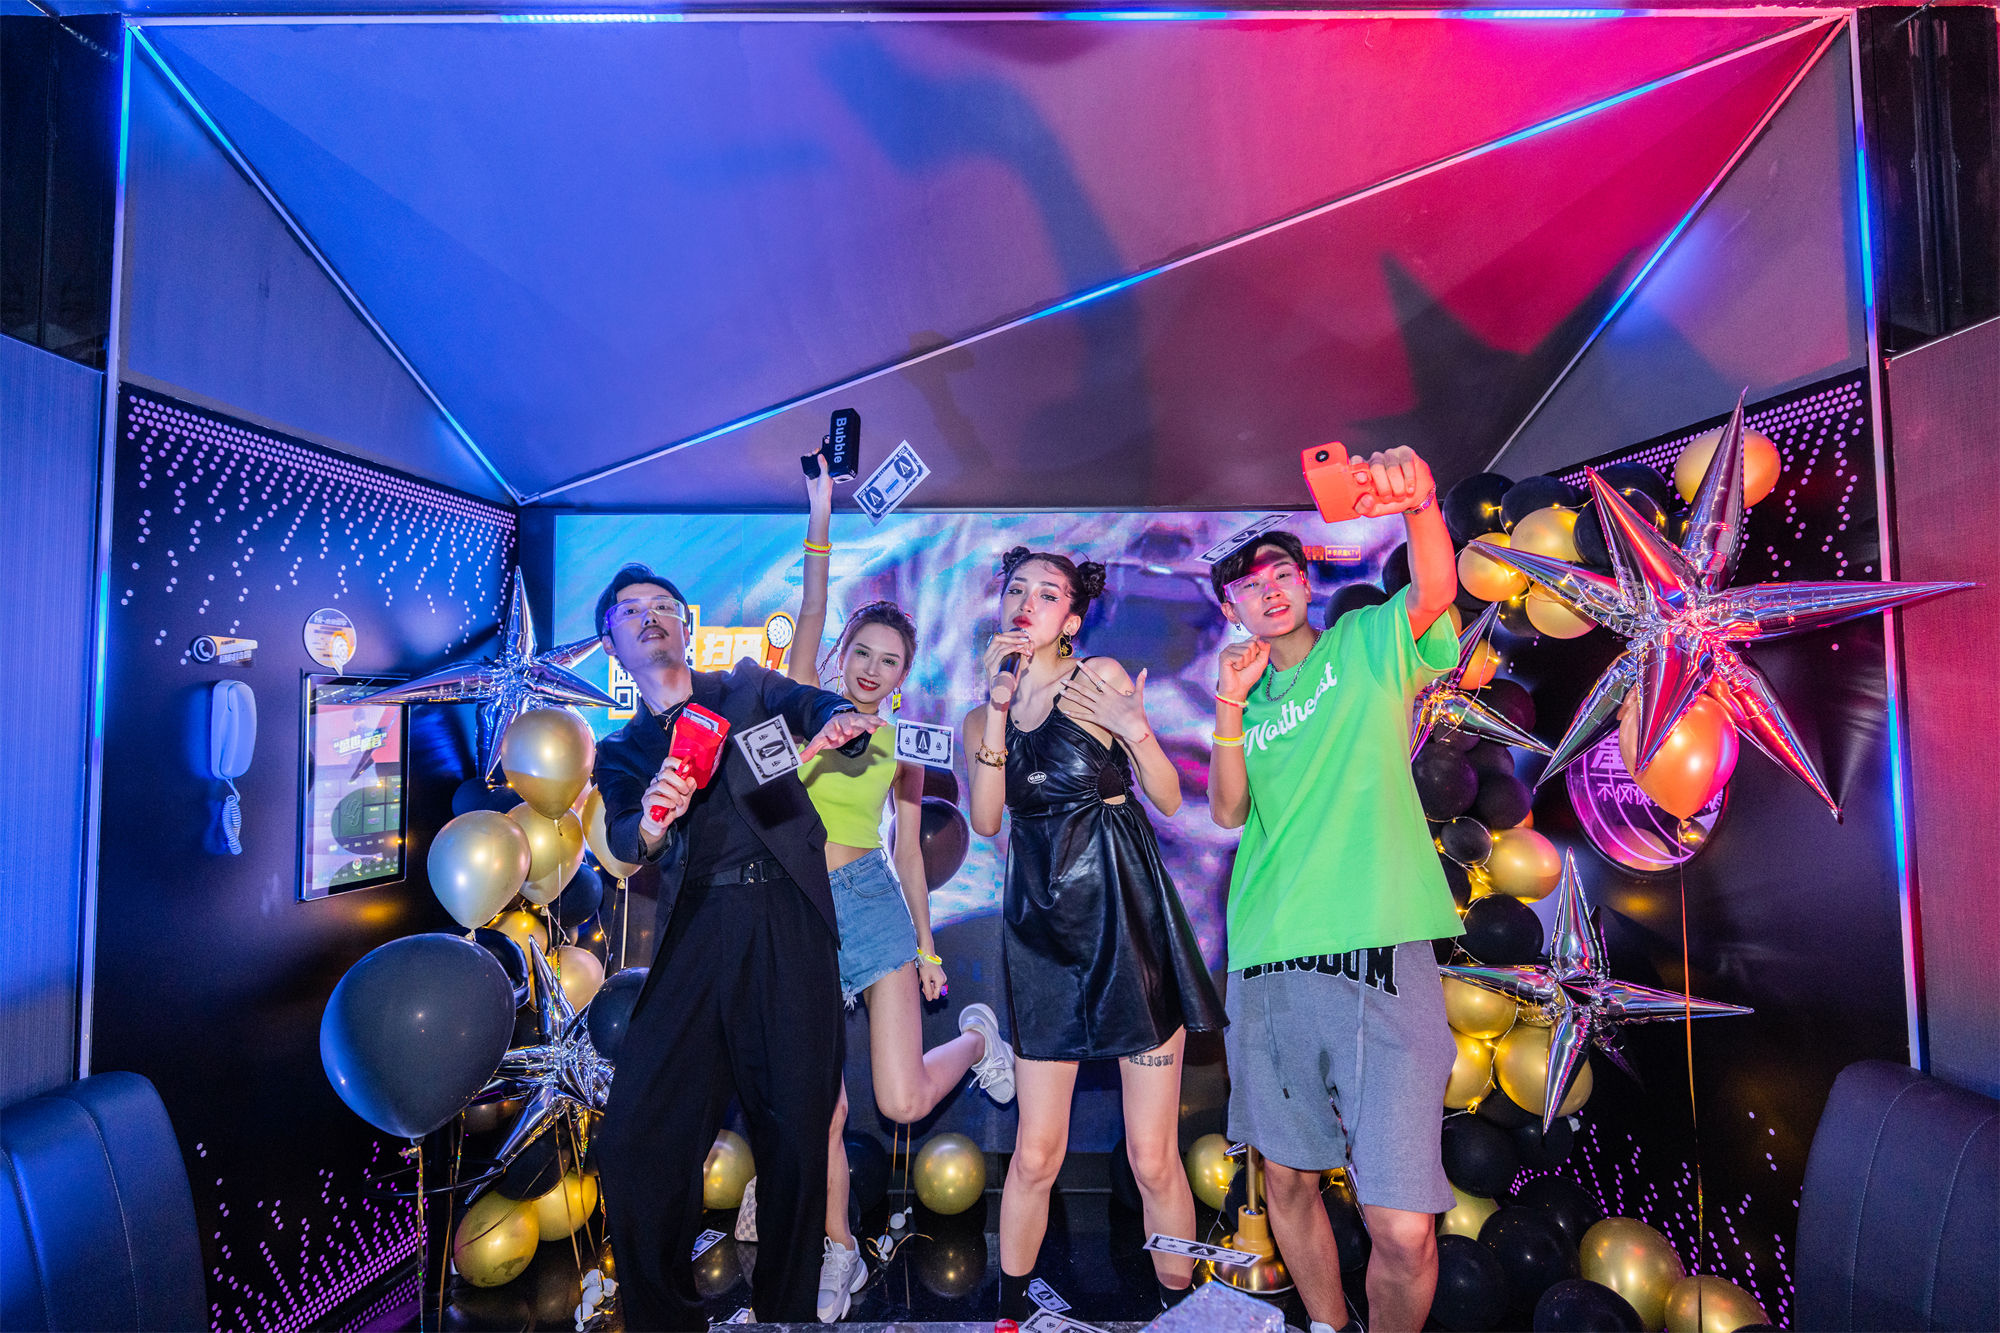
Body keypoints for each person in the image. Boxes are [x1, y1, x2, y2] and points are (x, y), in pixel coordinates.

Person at [1206, 446, 1463, 1333]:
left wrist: (1420, 505)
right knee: (1285, 1178)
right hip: (1271, 956)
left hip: (1381, 953)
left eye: (1281, 571)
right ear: (1231, 608)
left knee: (1403, 1226)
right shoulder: (1246, 699)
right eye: (1248, 584)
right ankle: (1326, 1323)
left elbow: (1435, 591)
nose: (1269, 589)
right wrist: (1229, 705)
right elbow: (1228, 808)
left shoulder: (1364, 645)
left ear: (1305, 580)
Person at [590, 563, 885, 1330]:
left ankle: (784, 1314)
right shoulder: (622, 750)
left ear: (686, 625)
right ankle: (666, 1320)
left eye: (663, 603)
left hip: (788, 917)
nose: (650, 615)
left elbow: (808, 702)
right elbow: (626, 836)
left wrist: (836, 717)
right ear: (611, 643)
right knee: (635, 1140)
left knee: (795, 1141)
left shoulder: (744, 687)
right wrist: (654, 819)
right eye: (630, 610)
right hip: (698, 931)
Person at [961, 546, 1227, 1322]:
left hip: (1128, 930)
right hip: (1043, 936)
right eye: (1017, 588)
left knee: (1152, 1155)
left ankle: (1176, 1308)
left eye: (1048, 593)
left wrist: (1136, 729)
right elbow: (986, 820)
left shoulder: (1098, 678)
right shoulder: (981, 714)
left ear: (1072, 619)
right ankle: (1009, 1308)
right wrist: (998, 706)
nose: (1027, 601)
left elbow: (1170, 799)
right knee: (1036, 1152)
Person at [787, 463, 1018, 1323]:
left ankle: (976, 1037)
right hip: (798, 909)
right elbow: (814, 604)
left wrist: (925, 946)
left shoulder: (903, 740)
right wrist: (822, 511)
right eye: (864, 653)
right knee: (823, 1105)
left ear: (903, 673)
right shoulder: (806, 700)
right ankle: (839, 1247)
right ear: (842, 653)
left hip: (873, 902)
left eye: (891, 662)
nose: (873, 670)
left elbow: (909, 851)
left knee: (901, 1098)